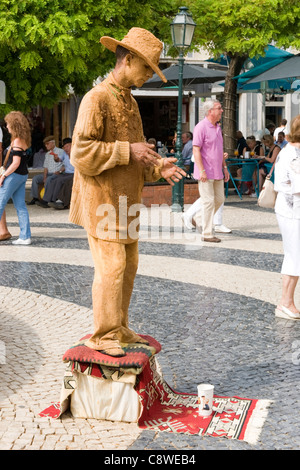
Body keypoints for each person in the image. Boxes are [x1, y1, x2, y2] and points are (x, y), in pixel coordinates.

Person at [69, 27, 185, 357]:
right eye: (147, 67)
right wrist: (127, 152)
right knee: (112, 269)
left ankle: (118, 327)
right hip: (102, 202)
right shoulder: (96, 98)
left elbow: (138, 156)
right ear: (128, 59)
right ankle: (103, 335)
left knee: (129, 266)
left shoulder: (131, 103)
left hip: (127, 205)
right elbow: (80, 153)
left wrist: (158, 166)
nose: (149, 74)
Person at [192, 99, 229, 242]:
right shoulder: (201, 127)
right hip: (205, 171)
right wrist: (201, 171)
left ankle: (199, 218)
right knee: (208, 201)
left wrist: (224, 167)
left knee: (219, 199)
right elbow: (196, 149)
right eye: (219, 108)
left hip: (218, 171)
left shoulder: (218, 128)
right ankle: (207, 234)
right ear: (210, 111)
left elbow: (219, 150)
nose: (222, 111)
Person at [274, 115, 300, 320]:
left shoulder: (291, 151)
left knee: (294, 255)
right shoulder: (293, 154)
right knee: (294, 255)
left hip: (291, 209)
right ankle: (286, 302)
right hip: (292, 211)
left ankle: (286, 302)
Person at [0, 111, 32, 245]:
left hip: (13, 175)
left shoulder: (17, 140)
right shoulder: (22, 139)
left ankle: (25, 236)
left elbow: (15, 163)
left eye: (7, 123)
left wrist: (4, 175)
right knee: (20, 206)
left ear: (14, 124)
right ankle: (25, 237)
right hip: (22, 175)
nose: (6, 126)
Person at [27, 135, 64, 206]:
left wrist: (60, 171)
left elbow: (64, 164)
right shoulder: (47, 154)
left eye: (47, 144)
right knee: (35, 178)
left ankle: (46, 200)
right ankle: (35, 198)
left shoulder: (61, 151)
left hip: (57, 173)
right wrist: (44, 176)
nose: (46, 146)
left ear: (53, 143)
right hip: (49, 173)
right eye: (45, 144)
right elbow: (45, 167)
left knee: (49, 179)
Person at [39, 137, 74, 208]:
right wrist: (56, 158)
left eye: (67, 146)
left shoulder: (76, 153)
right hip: (66, 173)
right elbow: (59, 159)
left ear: (72, 145)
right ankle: (47, 200)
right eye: (64, 147)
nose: (66, 148)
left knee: (59, 180)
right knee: (54, 179)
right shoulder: (64, 153)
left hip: (74, 174)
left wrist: (60, 170)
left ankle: (55, 200)